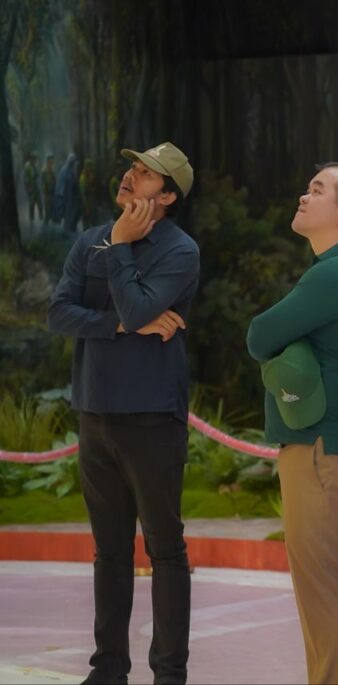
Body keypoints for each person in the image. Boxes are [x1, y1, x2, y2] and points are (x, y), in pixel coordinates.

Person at [47, 142, 198, 685]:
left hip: (152, 416)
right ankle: (108, 669)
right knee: (109, 551)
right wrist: (115, 324)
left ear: (168, 196)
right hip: (94, 412)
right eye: (132, 167)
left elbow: (137, 308)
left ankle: (169, 675)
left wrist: (121, 250)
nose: (130, 176)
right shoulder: (89, 239)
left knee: (165, 549)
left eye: (145, 173)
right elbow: (60, 313)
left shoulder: (180, 251)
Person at [246, 162, 338, 685]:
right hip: (331, 444)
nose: (304, 196)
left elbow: (260, 335)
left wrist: (291, 341)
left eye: (317, 190)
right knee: (324, 581)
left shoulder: (336, 273)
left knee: (324, 584)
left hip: (323, 446)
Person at [53, 153, 82, 233]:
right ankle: (67, 232)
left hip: (72, 200)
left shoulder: (71, 172)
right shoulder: (64, 172)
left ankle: (71, 231)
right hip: (67, 200)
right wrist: (61, 201)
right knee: (68, 218)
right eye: (73, 163)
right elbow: (61, 188)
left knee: (73, 217)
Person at [23, 151, 43, 225]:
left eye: (36, 159)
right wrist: (28, 188)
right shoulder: (27, 167)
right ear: (31, 159)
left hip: (36, 187)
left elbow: (37, 175)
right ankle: (31, 220)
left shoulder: (35, 165)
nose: (35, 160)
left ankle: (41, 218)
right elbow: (26, 179)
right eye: (34, 159)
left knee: (40, 203)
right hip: (31, 188)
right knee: (31, 205)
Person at [42, 154, 57, 225]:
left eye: (52, 161)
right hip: (48, 194)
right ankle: (45, 226)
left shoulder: (52, 171)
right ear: (48, 161)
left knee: (52, 211)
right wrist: (46, 194)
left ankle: (52, 226)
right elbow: (43, 184)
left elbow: (54, 182)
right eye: (51, 161)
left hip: (52, 193)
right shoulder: (44, 171)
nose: (52, 163)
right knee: (48, 212)